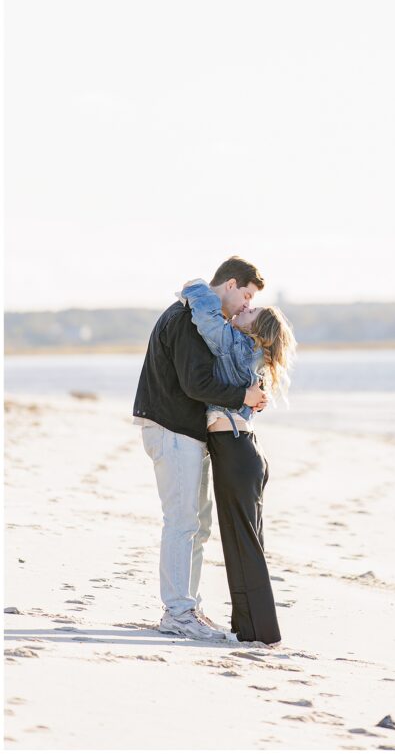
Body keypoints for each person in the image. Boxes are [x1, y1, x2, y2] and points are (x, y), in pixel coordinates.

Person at [132, 256, 267, 641]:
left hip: (186, 431)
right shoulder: (189, 317)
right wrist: (243, 394)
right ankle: (177, 612)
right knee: (182, 521)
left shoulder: (203, 319)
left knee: (198, 525)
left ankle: (187, 606)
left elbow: (209, 379)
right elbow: (196, 384)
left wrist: (251, 396)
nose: (246, 304)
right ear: (230, 285)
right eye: (247, 294)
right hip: (171, 428)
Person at [180, 278, 296, 645]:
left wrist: (197, 288)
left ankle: (261, 633)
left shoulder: (238, 345)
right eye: (248, 303)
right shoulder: (251, 355)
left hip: (236, 451)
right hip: (241, 450)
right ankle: (248, 630)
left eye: (252, 310)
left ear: (257, 330)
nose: (245, 308)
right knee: (242, 542)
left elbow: (208, 321)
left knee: (242, 545)